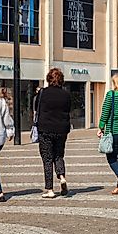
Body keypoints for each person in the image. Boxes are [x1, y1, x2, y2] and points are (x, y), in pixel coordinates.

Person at [36, 68, 73, 198]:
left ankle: (50, 189)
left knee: (47, 158)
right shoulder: (66, 94)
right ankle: (62, 176)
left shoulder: (42, 93)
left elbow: (37, 108)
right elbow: (69, 109)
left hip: (45, 129)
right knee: (59, 155)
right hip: (62, 129)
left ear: (48, 79)